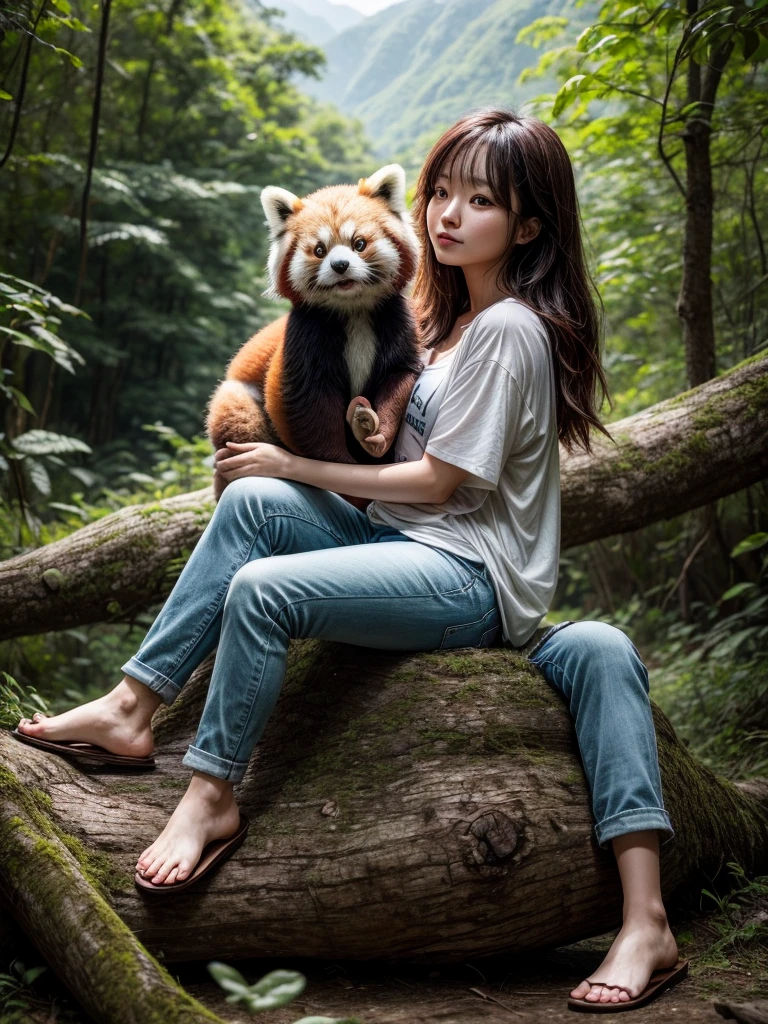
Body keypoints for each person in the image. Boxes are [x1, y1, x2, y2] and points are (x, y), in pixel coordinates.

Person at [14, 108, 685, 1011]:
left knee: (263, 587)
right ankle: (134, 705)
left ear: (528, 226)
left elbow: (444, 485)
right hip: (401, 547)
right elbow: (386, 457)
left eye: (480, 200)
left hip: (466, 577)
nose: (448, 213)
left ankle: (211, 793)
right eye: (440, 192)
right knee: (252, 502)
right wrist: (346, 438)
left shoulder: (511, 330)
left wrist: (296, 461)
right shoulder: (448, 325)